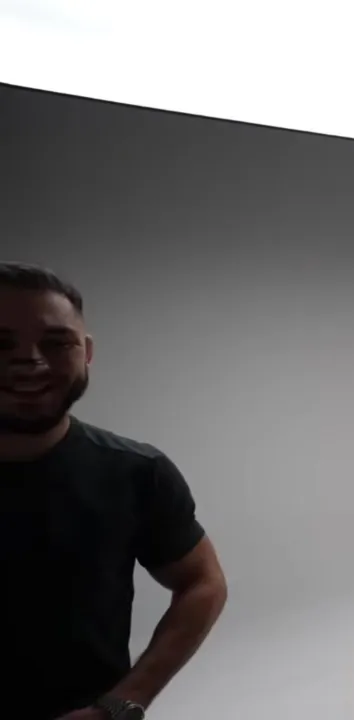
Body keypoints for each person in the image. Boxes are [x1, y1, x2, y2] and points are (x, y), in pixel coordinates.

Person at [0, 262, 228, 720]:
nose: (30, 362)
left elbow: (203, 583)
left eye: (56, 342)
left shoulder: (136, 473)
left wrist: (122, 704)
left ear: (86, 353)